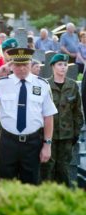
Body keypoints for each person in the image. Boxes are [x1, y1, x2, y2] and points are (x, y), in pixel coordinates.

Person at [0, 48, 58, 185]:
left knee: (31, 185)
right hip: (8, 142)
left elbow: (48, 116)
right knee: (6, 184)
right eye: (17, 65)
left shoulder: (42, 84)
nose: (21, 69)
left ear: (30, 64)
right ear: (11, 65)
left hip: (33, 142)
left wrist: (47, 145)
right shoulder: (2, 83)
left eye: (25, 65)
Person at [40, 54, 83, 186]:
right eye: (59, 64)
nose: (63, 67)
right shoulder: (45, 85)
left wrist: (75, 133)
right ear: (52, 67)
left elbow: (77, 113)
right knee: (47, 168)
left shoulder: (73, 86)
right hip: (48, 136)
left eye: (65, 65)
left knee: (63, 169)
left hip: (66, 135)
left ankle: (63, 198)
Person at [0, 38, 18, 178]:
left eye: (14, 52)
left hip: (17, 119)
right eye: (8, 52)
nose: (11, 56)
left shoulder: (20, 71)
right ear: (3, 53)